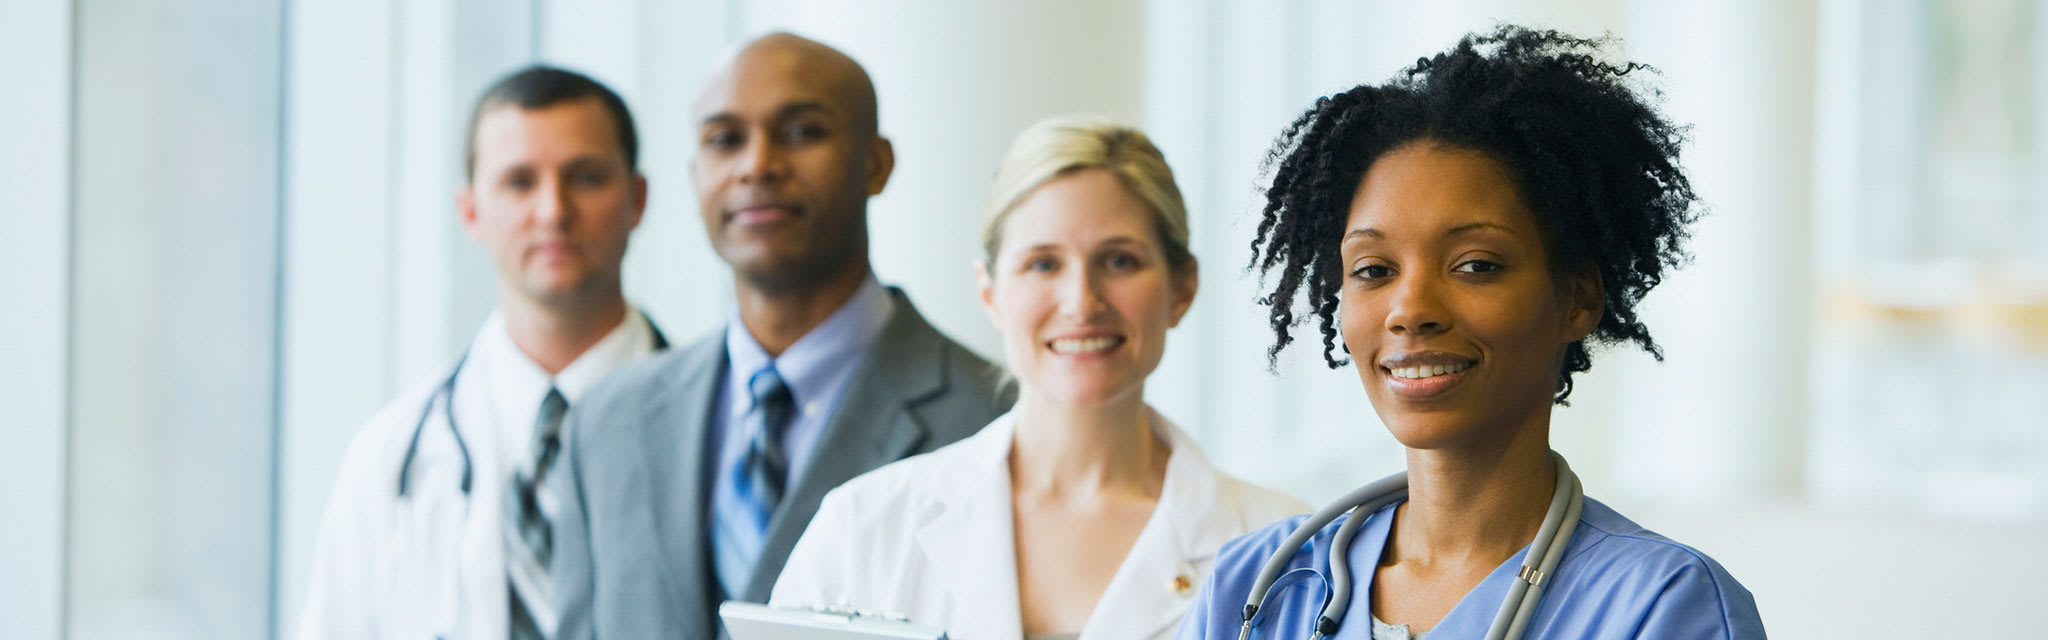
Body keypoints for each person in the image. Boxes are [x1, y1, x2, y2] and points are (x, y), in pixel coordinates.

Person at [1173, 27, 1766, 639]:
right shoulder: (1259, 587)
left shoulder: (1661, 606)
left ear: (1579, 298)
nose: (1411, 309)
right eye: (1373, 270)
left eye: (1476, 265)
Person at [770, 116, 1309, 640]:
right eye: (1043, 265)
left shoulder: (1290, 550)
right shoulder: (862, 530)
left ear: (1182, 288)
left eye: (1119, 261)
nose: (1082, 302)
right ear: (989, 292)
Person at [547, 33, 1010, 639]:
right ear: (694, 174)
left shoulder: (996, 419)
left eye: (801, 132)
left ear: (876, 163)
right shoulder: (609, 422)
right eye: (724, 140)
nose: (757, 164)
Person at [298, 65, 665, 640]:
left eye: (586, 177)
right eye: (519, 182)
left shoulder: (723, 436)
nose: (553, 211)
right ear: (469, 211)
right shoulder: (388, 457)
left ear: (637, 199)